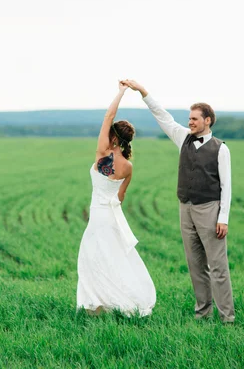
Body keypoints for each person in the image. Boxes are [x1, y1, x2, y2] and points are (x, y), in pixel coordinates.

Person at [123, 79, 234, 323]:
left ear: (208, 120)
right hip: (185, 209)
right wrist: (143, 92)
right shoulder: (182, 137)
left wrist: (223, 218)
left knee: (217, 267)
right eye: (189, 118)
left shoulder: (221, 149)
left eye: (195, 118)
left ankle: (227, 318)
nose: (190, 122)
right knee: (195, 265)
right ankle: (202, 314)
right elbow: (162, 116)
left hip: (210, 210)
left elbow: (226, 186)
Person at [76, 81, 156, 317]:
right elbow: (120, 197)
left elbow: (108, 115)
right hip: (113, 217)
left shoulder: (102, 153)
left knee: (92, 259)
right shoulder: (128, 167)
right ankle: (111, 302)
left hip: (99, 216)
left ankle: (96, 306)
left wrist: (120, 92)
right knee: (113, 259)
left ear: (113, 137)